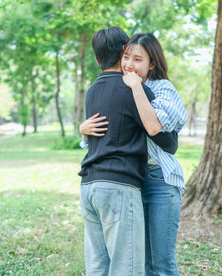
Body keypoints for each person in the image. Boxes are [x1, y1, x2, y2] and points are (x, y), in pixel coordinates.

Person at [81, 32, 188, 276]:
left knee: (160, 263)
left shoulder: (161, 89)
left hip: (160, 178)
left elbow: (167, 140)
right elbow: (109, 131)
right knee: (140, 259)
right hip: (132, 179)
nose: (129, 64)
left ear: (152, 63)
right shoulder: (123, 85)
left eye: (138, 59)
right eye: (126, 57)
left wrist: (137, 88)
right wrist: (83, 130)